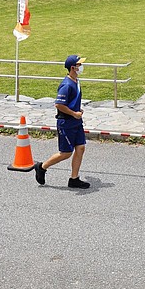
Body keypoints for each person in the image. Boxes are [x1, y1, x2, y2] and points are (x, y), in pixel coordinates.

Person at [35, 54, 91, 189]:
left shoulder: (76, 81)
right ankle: (42, 167)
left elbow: (71, 102)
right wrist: (73, 113)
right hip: (66, 123)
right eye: (79, 65)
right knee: (66, 153)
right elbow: (59, 105)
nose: (81, 67)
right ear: (73, 68)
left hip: (76, 122)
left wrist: (78, 110)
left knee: (81, 148)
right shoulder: (66, 85)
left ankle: (74, 179)